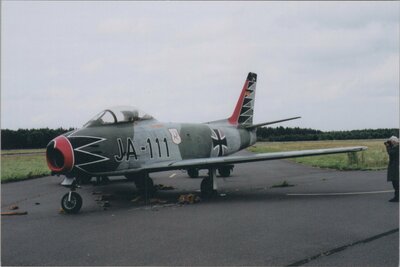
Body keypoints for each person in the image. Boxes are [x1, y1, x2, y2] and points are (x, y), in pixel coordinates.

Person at [385, 136, 399, 202]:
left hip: (396, 167)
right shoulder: (396, 147)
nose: (390, 143)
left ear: (393, 141)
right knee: (395, 182)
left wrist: (387, 146)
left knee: (396, 182)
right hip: (395, 166)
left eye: (390, 141)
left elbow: (390, 153)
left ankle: (397, 197)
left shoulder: (397, 148)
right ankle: (397, 196)